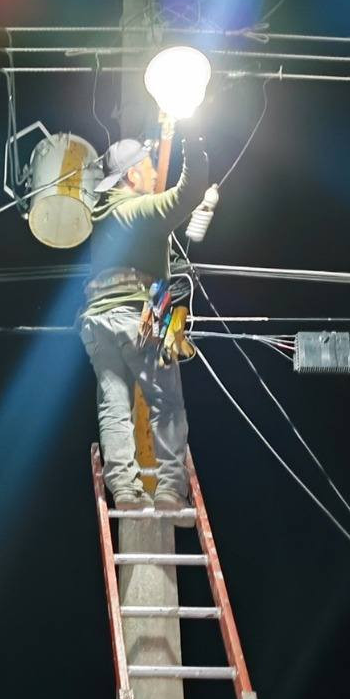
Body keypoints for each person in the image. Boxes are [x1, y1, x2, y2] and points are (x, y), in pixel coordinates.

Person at [80, 131, 210, 515]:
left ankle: (124, 490)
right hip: (141, 315)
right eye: (150, 168)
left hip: (99, 320)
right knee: (166, 402)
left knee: (113, 405)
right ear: (132, 175)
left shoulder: (101, 217)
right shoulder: (135, 210)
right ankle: (169, 490)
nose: (155, 175)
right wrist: (196, 142)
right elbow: (188, 193)